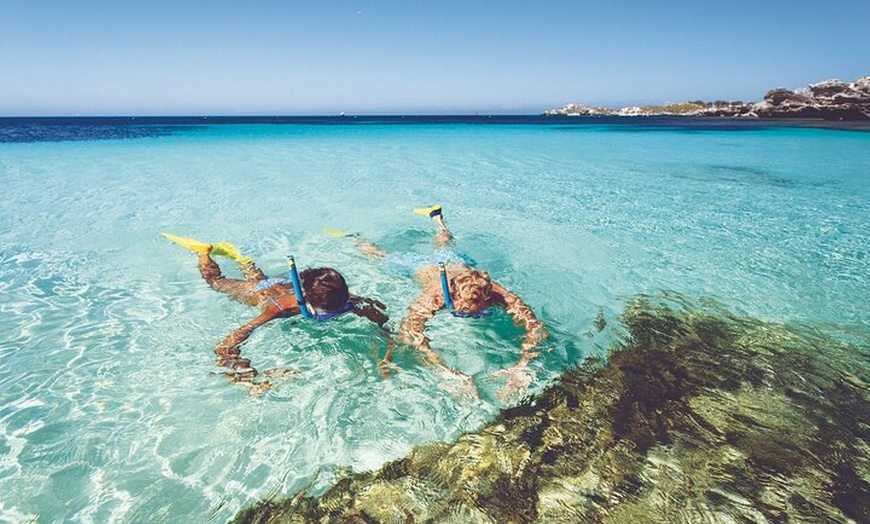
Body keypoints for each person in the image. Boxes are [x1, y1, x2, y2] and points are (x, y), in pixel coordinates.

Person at [330, 205, 548, 399]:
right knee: (380, 256)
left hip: (457, 263)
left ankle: (437, 217)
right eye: (464, 311)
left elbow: (536, 328)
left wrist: (523, 366)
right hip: (422, 268)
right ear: (453, 298)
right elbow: (409, 332)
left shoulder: (496, 293)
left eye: (477, 311)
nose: (471, 315)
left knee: (445, 242)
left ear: (488, 296)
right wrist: (445, 371)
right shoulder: (436, 296)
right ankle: (355, 237)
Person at [162, 233, 390, 391]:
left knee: (262, 278)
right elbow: (231, 341)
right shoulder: (281, 308)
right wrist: (245, 375)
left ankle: (245, 262)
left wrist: (386, 356)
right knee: (216, 282)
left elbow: (383, 322)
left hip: (281, 285)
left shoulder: (350, 301)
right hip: (262, 294)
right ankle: (204, 254)